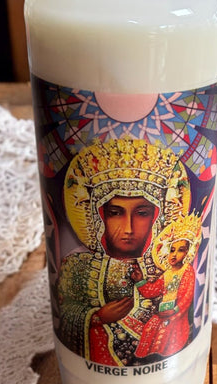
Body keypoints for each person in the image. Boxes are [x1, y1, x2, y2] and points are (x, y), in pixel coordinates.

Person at [55, 138, 191, 366]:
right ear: (99, 216)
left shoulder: (170, 267)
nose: (128, 228)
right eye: (116, 213)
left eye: (142, 213)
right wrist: (96, 318)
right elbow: (65, 310)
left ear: (157, 218)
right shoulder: (78, 266)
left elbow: (184, 308)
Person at [131, 213, 202, 360]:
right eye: (172, 250)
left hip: (176, 315)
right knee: (150, 327)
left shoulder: (187, 271)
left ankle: (159, 360)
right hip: (162, 313)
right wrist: (140, 281)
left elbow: (188, 295)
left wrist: (174, 310)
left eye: (180, 250)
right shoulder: (167, 273)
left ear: (187, 252)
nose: (174, 255)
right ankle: (146, 360)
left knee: (166, 335)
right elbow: (152, 291)